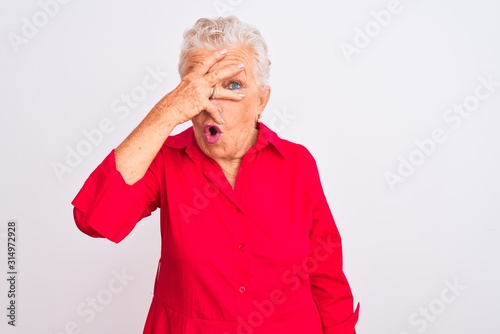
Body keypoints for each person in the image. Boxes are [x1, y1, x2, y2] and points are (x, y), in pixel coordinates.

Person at [72, 16, 359, 334]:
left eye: (233, 85)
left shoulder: (297, 163)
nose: (212, 103)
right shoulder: (163, 160)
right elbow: (94, 219)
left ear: (261, 100)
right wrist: (168, 112)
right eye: (201, 87)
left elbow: (326, 275)